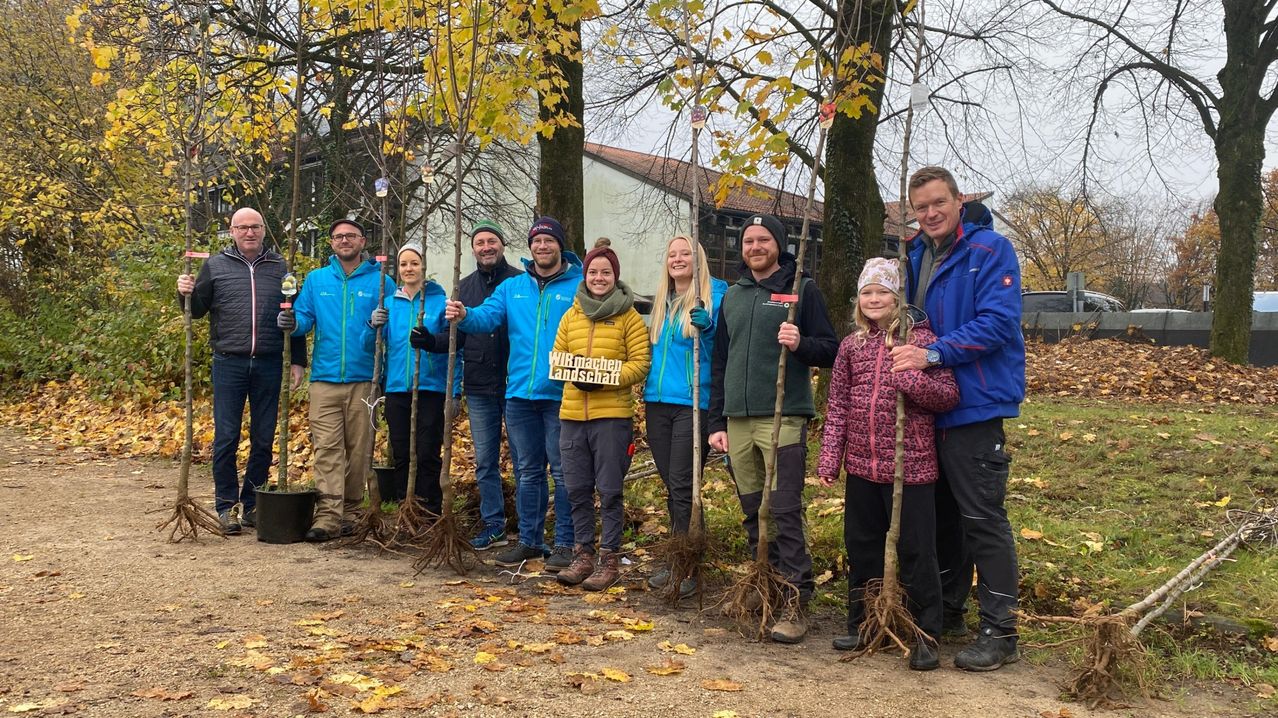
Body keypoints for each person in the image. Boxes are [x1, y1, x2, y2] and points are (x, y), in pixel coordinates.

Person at [891, 166, 1026, 671]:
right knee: (941, 516)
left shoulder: (990, 251)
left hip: (975, 402)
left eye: (938, 203)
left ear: (958, 199)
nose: (930, 214)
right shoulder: (911, 254)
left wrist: (935, 354)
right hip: (928, 402)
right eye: (921, 207)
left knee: (982, 518)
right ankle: (948, 610)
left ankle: (1001, 631)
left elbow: (997, 322)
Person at [817, 258, 959, 671]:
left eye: (882, 291)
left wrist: (910, 376)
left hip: (910, 468)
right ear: (859, 300)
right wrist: (831, 459)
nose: (874, 299)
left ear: (897, 298)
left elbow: (947, 396)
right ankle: (862, 621)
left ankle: (923, 633)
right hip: (862, 467)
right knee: (862, 547)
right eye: (867, 292)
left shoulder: (922, 340)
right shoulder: (851, 346)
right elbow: (838, 406)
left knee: (917, 551)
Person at [708, 213, 839, 643]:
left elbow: (831, 349)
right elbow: (720, 361)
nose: (755, 247)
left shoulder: (801, 288)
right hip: (737, 421)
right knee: (753, 510)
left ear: (779, 245)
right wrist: (716, 421)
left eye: (764, 240)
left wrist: (800, 344)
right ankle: (762, 582)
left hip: (783, 415)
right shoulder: (733, 295)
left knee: (783, 510)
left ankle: (796, 600)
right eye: (748, 240)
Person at [445, 217, 581, 571]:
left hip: (562, 394)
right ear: (530, 247)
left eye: (549, 241)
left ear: (559, 245)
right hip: (519, 393)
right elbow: (486, 318)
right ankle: (530, 541)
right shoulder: (513, 288)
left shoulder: (579, 286)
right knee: (528, 469)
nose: (542, 247)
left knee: (564, 471)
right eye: (536, 241)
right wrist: (464, 313)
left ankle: (566, 543)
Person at [176, 207, 307, 535]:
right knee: (226, 436)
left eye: (255, 227)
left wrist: (297, 360)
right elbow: (198, 311)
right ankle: (225, 506)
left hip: (268, 361)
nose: (249, 233)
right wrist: (185, 292)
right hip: (228, 362)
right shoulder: (215, 265)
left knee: (264, 438)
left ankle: (251, 504)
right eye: (242, 227)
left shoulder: (280, 266)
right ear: (231, 231)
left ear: (264, 230)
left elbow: (295, 315)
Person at [280, 219, 396, 542]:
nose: (344, 240)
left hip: (364, 379)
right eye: (338, 236)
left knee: (359, 449)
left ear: (362, 241)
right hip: (325, 379)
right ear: (331, 243)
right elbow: (304, 319)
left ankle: (353, 511)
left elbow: (392, 328)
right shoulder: (317, 280)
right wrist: (291, 322)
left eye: (351, 236)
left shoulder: (381, 282)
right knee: (327, 448)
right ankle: (329, 515)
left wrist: (378, 325)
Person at [552, 246, 651, 590]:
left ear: (615, 276)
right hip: (572, 415)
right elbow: (559, 357)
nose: (599, 278)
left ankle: (610, 557)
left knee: (609, 490)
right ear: (585, 276)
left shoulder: (629, 318)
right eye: (593, 272)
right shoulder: (571, 316)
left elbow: (640, 364)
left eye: (605, 272)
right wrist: (574, 373)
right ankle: (583, 554)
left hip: (612, 416)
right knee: (576, 488)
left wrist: (605, 377)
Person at [643, 236, 728, 598]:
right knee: (672, 484)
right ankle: (680, 552)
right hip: (657, 401)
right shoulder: (662, 300)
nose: (678, 259)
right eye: (672, 254)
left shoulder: (715, 296)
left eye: (686, 254)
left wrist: (707, 329)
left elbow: (722, 348)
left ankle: (689, 563)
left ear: (699, 260)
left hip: (694, 401)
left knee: (682, 483)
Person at [366, 240, 456, 513]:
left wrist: (454, 390)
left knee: (427, 452)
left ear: (424, 267)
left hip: (430, 388)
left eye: (414, 263)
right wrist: (373, 325)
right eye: (404, 264)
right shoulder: (390, 304)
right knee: (402, 453)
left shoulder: (441, 302)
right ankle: (408, 509)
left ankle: (430, 511)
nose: (409, 268)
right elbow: (370, 347)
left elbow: (454, 345)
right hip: (396, 388)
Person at [457, 220, 523, 550]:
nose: (486, 247)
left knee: (526, 460)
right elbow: (454, 337)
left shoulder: (520, 283)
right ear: (472, 249)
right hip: (480, 385)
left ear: (502, 245)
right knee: (485, 461)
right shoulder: (464, 286)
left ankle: (529, 528)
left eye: (492, 241)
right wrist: (430, 340)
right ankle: (494, 524)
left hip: (516, 385)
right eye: (480, 242)